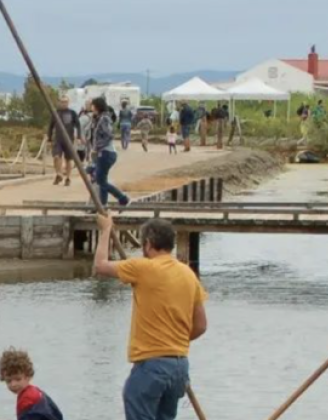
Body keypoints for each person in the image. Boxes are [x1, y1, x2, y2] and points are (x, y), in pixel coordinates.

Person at [94, 215, 208, 420]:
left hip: (152, 366)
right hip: (179, 367)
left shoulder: (143, 267)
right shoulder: (188, 274)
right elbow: (200, 325)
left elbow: (100, 265)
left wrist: (105, 230)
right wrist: (174, 341)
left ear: (147, 244)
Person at [0, 348, 64, 420]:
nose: (13, 384)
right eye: (9, 381)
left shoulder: (27, 400)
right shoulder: (37, 392)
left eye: (18, 379)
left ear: (28, 376)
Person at [91, 97, 130, 207]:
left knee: (100, 181)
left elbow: (109, 135)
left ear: (97, 106)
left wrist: (97, 147)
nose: (91, 107)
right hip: (103, 153)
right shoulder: (98, 118)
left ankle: (123, 198)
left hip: (106, 153)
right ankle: (103, 204)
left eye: (92, 105)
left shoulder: (104, 118)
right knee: (102, 179)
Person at [45, 97, 81, 186]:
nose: (64, 103)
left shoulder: (72, 113)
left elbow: (78, 125)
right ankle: (59, 174)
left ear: (68, 102)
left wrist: (79, 137)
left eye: (65, 102)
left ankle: (68, 177)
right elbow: (50, 126)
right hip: (58, 139)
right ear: (59, 102)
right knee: (56, 156)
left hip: (69, 139)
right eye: (62, 102)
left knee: (68, 159)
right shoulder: (56, 113)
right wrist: (49, 139)